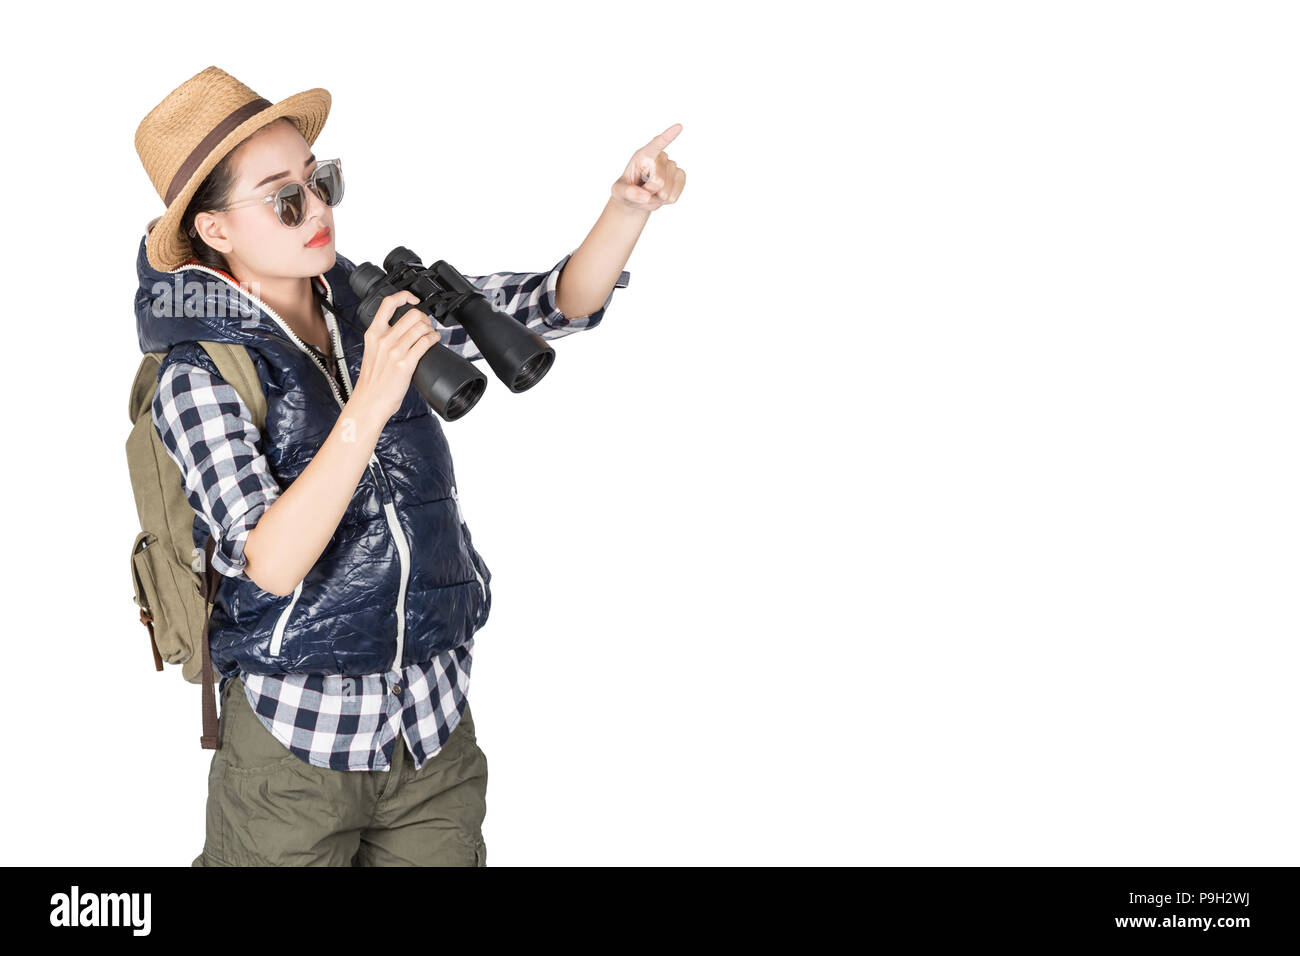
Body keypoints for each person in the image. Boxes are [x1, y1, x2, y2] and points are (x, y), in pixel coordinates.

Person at [132, 66, 685, 866]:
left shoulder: (371, 311)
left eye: (320, 182)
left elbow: (551, 301)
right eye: (285, 198)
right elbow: (270, 562)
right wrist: (371, 400)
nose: (317, 210)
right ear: (216, 231)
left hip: (431, 727)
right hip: (295, 747)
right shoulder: (199, 373)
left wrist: (627, 208)